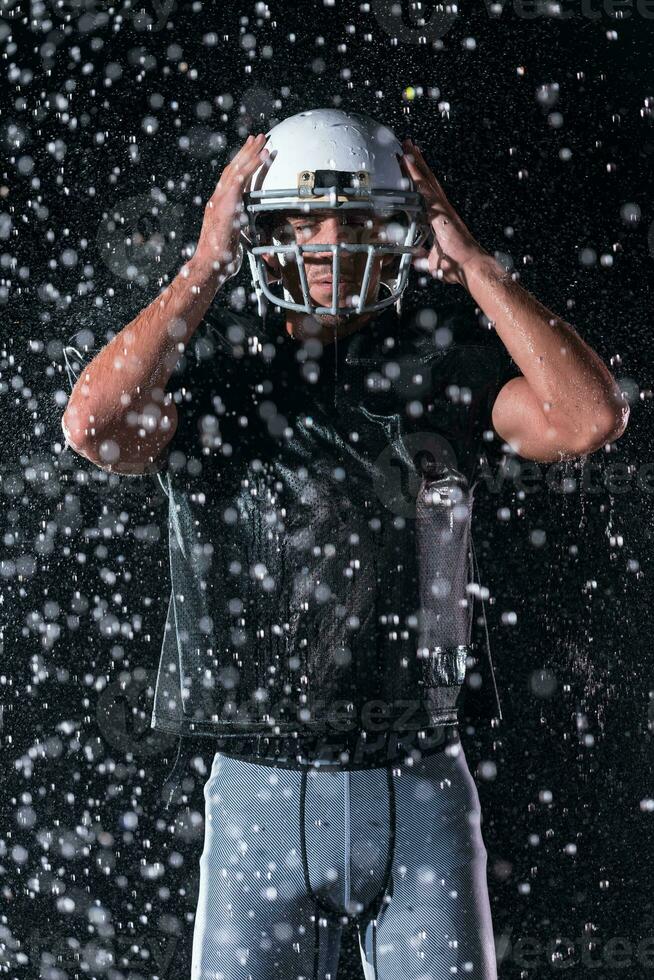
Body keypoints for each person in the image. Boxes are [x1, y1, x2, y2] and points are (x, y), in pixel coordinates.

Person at [62, 108, 628, 979]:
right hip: (256, 779)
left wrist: (476, 267)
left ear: (401, 230)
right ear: (259, 230)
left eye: (358, 220)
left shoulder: (442, 371)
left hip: (422, 773)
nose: (329, 242)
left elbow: (588, 417)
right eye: (303, 220)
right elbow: (93, 425)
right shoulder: (217, 379)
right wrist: (203, 266)